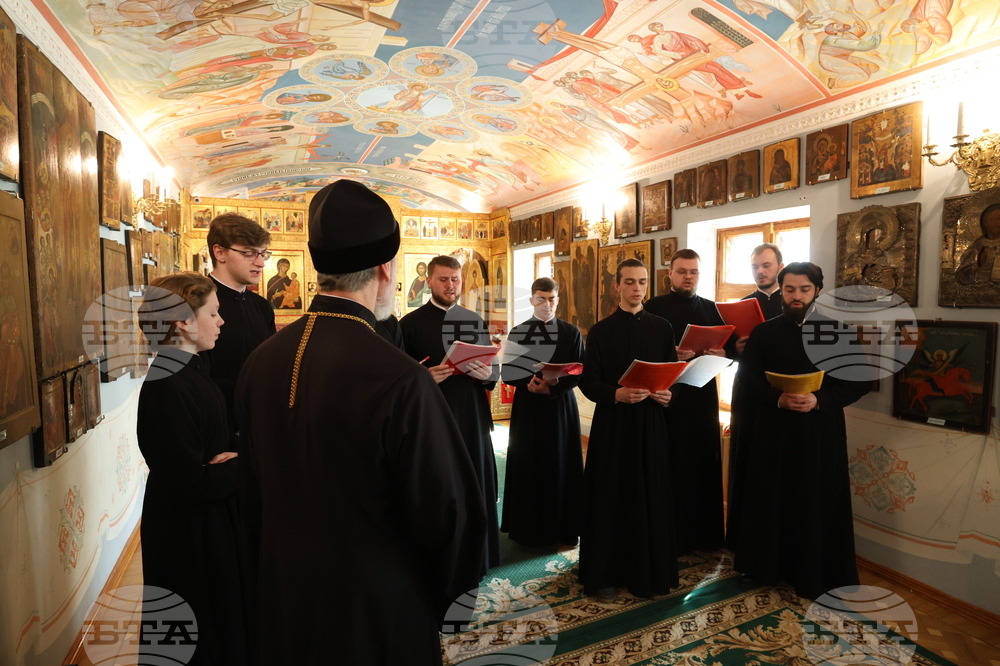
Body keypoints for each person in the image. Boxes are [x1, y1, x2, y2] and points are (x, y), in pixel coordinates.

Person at [236, 180, 487, 664]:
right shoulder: (399, 377)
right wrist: (446, 604)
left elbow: (252, 494)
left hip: (285, 594)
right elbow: (450, 513)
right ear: (385, 269)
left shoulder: (260, 361)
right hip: (375, 608)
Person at [732, 262, 870, 599]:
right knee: (771, 496)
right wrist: (778, 399)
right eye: (789, 289)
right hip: (773, 432)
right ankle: (765, 567)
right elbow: (747, 379)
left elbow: (859, 382)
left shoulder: (837, 332)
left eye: (804, 290)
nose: (796, 296)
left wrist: (818, 400)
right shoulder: (765, 333)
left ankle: (813, 572)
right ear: (781, 291)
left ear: (817, 291)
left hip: (819, 435)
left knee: (814, 499)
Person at [136, 272, 250, 665]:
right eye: (214, 313)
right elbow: (188, 482)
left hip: (209, 520)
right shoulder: (168, 384)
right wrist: (243, 466)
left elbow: (217, 444)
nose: (221, 322)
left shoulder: (191, 370)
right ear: (182, 321)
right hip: (187, 533)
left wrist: (234, 456)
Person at [578, 259, 678, 601]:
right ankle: (605, 574)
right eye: (630, 282)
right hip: (614, 425)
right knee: (612, 496)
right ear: (616, 286)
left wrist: (668, 394)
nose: (637, 288)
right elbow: (588, 381)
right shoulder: (602, 330)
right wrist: (616, 394)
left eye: (643, 282)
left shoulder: (662, 327)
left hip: (651, 424)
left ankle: (649, 574)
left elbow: (672, 373)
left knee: (650, 493)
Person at [400, 255, 501, 574]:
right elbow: (400, 380)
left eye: (455, 279)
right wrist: (423, 378)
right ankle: (442, 562)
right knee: (439, 488)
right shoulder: (409, 324)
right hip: (432, 418)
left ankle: (481, 557)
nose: (450, 285)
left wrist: (484, 372)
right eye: (443, 279)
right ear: (429, 281)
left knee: (475, 485)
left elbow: (493, 376)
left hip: (471, 416)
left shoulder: (474, 320)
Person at [644, 249, 733, 554]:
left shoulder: (711, 309)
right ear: (670, 273)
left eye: (693, 271)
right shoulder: (653, 308)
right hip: (667, 396)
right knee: (670, 462)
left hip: (703, 396)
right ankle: (669, 535)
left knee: (702, 462)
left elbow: (729, 351)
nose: (688, 276)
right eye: (682, 271)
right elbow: (641, 352)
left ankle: (705, 536)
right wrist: (671, 353)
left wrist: (722, 354)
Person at [501, 277, 584, 548]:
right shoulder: (518, 331)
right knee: (529, 464)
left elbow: (580, 371)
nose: (546, 304)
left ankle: (563, 529)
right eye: (541, 298)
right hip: (529, 408)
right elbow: (507, 373)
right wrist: (532, 384)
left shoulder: (571, 332)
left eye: (551, 299)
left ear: (558, 300)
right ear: (532, 300)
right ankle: (527, 531)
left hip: (559, 407)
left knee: (561, 464)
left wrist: (552, 389)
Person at [726, 242, 785, 550]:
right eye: (755, 267)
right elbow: (728, 350)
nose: (760, 272)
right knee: (746, 459)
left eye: (766, 265)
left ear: (780, 268)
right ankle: (741, 537)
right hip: (749, 391)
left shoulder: (793, 305)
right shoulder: (743, 305)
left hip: (780, 393)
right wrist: (734, 350)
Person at [201, 213, 276, 446]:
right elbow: (197, 380)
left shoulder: (262, 306)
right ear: (219, 252)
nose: (261, 262)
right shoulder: (197, 302)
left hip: (259, 430)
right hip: (215, 434)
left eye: (263, 253)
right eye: (249, 253)